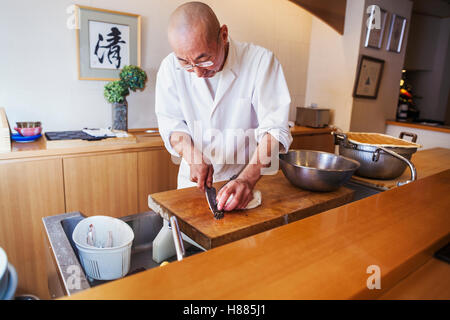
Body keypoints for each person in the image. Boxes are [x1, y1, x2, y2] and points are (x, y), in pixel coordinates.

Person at [155, 2, 292, 212]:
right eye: (186, 63)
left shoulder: (260, 62)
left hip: (245, 180)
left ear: (224, 35)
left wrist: (247, 179)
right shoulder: (169, 68)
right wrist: (191, 155)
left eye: (204, 59)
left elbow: (275, 130)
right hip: (193, 182)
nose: (198, 73)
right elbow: (171, 124)